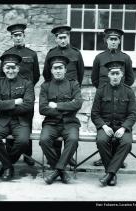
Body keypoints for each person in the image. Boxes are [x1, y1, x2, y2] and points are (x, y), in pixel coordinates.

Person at [91, 28, 135, 167]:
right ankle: (106, 157)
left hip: (120, 94)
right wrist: (104, 90)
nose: (113, 42)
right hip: (104, 95)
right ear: (106, 41)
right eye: (111, 39)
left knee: (119, 126)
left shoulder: (125, 57)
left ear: (119, 41)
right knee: (104, 129)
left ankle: (116, 159)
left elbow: (130, 78)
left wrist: (121, 90)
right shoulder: (99, 57)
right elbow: (94, 79)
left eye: (116, 39)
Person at [0, 53, 35, 181]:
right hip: (2, 120)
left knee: (23, 141)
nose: (10, 71)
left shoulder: (27, 84)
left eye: (13, 68)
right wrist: (15, 102)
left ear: (18, 68)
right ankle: (8, 166)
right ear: (3, 69)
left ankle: (6, 165)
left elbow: (28, 106)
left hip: (21, 121)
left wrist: (6, 107)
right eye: (7, 68)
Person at [42, 25, 85, 166]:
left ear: (68, 37)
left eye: (65, 37)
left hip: (71, 92)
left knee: (69, 126)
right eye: (60, 38)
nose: (62, 40)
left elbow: (80, 74)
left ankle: (68, 156)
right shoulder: (51, 53)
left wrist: (72, 94)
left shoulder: (76, 53)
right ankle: (57, 157)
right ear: (56, 39)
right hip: (54, 90)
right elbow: (46, 74)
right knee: (54, 126)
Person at [91, 60, 136, 186]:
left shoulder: (129, 91)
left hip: (122, 126)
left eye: (118, 73)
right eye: (113, 74)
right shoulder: (101, 91)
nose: (115, 76)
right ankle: (112, 173)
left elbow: (132, 114)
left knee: (127, 143)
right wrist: (104, 126)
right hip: (105, 126)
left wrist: (123, 128)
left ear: (122, 75)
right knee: (101, 141)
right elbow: (94, 113)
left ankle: (110, 174)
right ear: (108, 75)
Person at [0, 23, 40, 166]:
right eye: (14, 36)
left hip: (26, 95)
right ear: (11, 37)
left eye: (20, 35)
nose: (17, 38)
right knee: (9, 122)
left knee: (26, 123)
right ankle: (11, 154)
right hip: (10, 96)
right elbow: (1, 75)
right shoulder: (6, 54)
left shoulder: (32, 54)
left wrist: (25, 91)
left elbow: (36, 75)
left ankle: (28, 155)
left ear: (24, 36)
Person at [39, 55, 83, 185]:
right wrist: (66, 108)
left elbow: (77, 104)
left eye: (60, 68)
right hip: (51, 123)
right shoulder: (45, 86)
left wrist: (57, 106)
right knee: (44, 140)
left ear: (65, 70)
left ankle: (56, 171)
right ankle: (61, 171)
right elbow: (42, 109)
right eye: (55, 68)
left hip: (70, 123)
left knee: (73, 140)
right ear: (51, 70)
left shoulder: (73, 84)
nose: (58, 71)